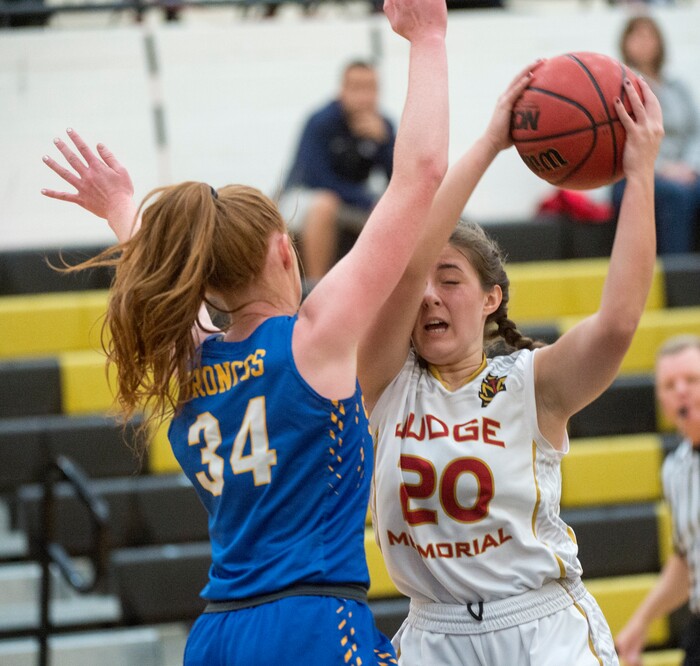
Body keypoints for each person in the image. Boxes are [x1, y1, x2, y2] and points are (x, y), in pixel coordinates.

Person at [39, 0, 449, 662]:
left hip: (219, 633)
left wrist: (121, 209)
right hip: (310, 622)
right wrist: (428, 38)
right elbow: (420, 176)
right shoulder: (314, 339)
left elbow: (163, 282)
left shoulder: (186, 355)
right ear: (284, 250)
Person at [357, 65, 664, 664]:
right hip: (433, 633)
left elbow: (619, 321)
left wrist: (640, 173)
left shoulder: (532, 382)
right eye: (424, 283)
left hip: (540, 626)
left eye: (451, 281)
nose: (430, 297)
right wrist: (491, 144)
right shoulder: (385, 379)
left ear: (491, 297)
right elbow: (406, 263)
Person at [615, 335, 700, 666]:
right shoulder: (675, 469)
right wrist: (641, 621)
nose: (681, 390)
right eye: (669, 384)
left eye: (692, 380)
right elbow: (687, 558)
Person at [277, 60, 396, 285]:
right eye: (356, 88)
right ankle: (314, 287)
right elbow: (317, 179)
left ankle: (381, 287)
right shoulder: (321, 122)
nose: (363, 96)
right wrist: (367, 201)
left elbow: (399, 180)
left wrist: (384, 144)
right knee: (325, 204)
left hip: (352, 200)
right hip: (303, 196)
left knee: (395, 211)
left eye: (370, 88)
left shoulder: (383, 125)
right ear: (342, 90)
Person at [612, 14, 700, 255]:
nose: (644, 41)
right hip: (636, 173)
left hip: (684, 171)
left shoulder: (678, 86)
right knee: (676, 195)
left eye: (649, 35)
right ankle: (675, 278)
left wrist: (689, 167)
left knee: (688, 189)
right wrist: (663, 169)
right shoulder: (619, 88)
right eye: (637, 35)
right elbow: (621, 141)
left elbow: (696, 132)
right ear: (625, 42)